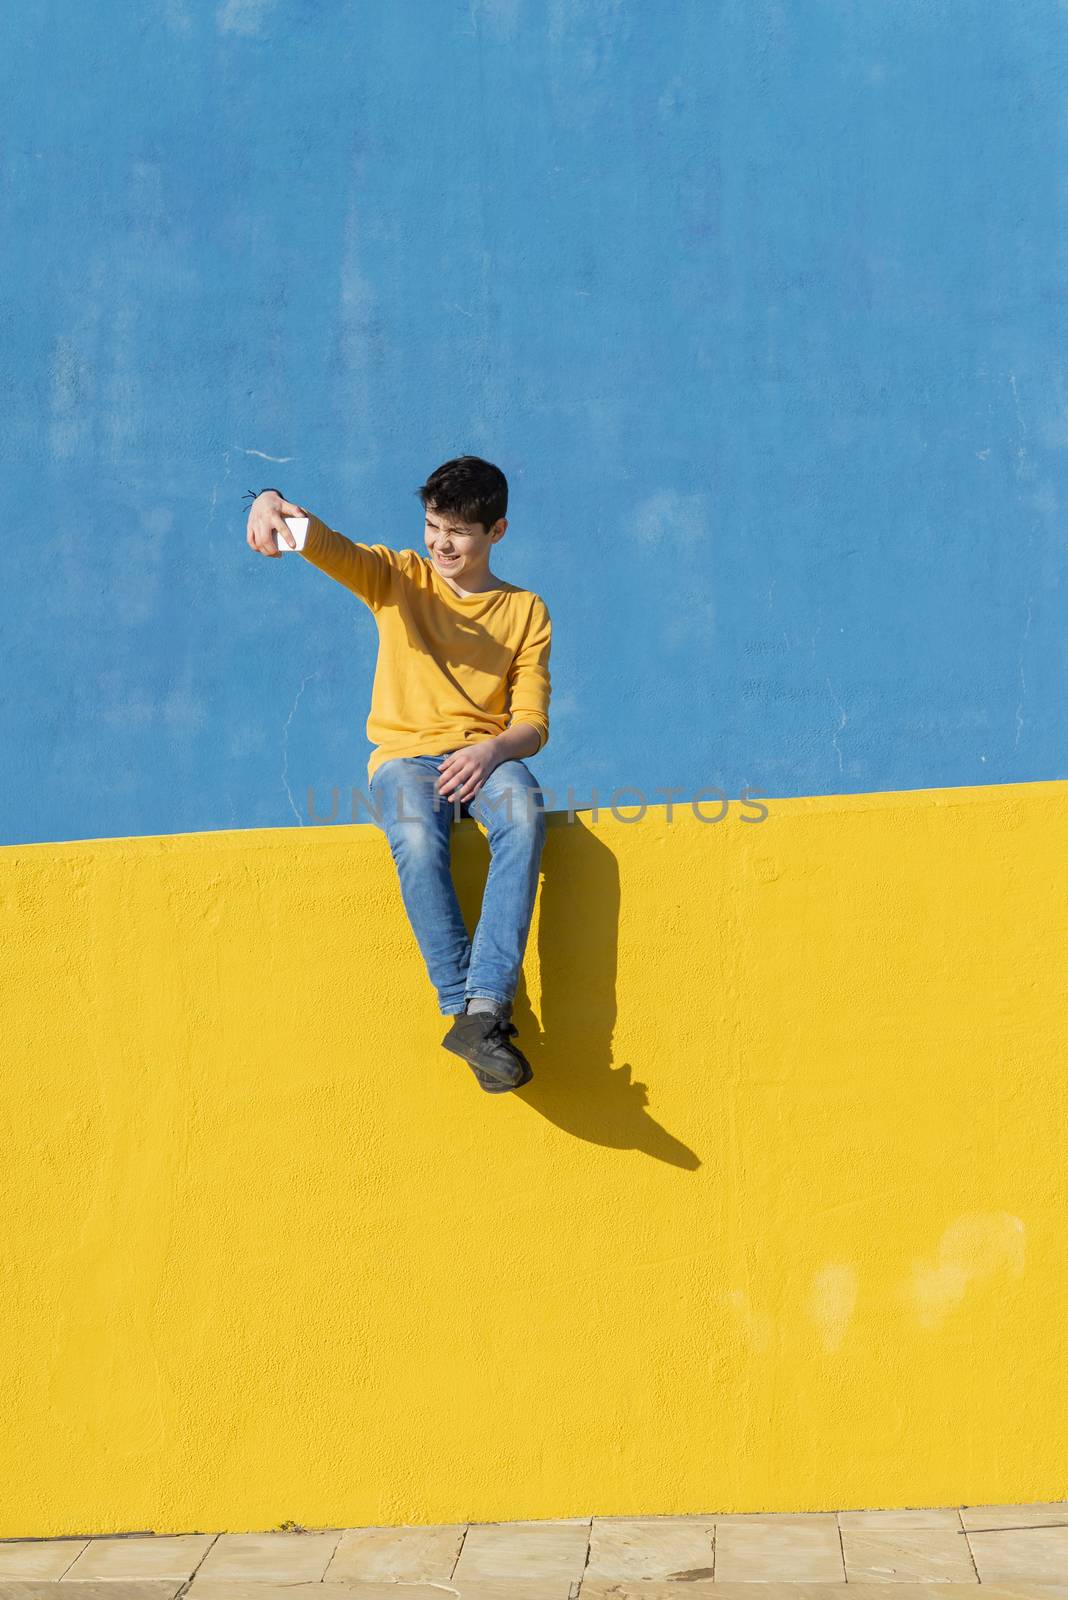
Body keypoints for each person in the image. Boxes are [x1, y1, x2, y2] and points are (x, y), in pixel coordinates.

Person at [245, 456, 551, 1094]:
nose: (441, 543)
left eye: (459, 532)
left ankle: (486, 1006)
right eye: (433, 525)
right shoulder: (397, 577)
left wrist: (491, 752)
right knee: (414, 837)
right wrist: (269, 498)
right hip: (405, 757)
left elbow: (531, 724)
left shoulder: (525, 611)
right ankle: (468, 1014)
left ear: (497, 531)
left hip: (485, 757)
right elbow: (328, 547)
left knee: (523, 812)